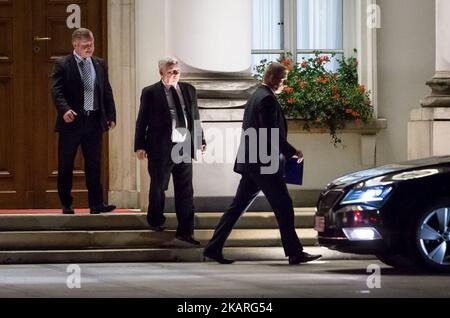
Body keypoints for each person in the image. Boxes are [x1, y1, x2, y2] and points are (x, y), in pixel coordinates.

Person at [204, 62, 322, 264]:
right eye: (283, 80)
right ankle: (294, 252)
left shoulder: (256, 95)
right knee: (284, 205)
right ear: (271, 78)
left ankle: (213, 248)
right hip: (264, 164)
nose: (284, 84)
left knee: (237, 207)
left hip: (253, 163)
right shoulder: (266, 98)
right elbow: (270, 134)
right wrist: (292, 151)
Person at [134, 57, 207, 246]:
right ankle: (156, 220)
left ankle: (186, 231)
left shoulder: (189, 90)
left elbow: (195, 117)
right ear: (161, 73)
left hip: (184, 145)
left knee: (185, 191)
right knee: (159, 187)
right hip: (161, 147)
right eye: (171, 72)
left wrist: (200, 139)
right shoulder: (151, 92)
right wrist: (139, 145)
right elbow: (142, 120)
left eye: (177, 71)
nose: (175, 75)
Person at [51, 28, 117, 215]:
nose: (90, 48)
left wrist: (111, 115)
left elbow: (106, 90)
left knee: (94, 164)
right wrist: (64, 110)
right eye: (86, 45)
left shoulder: (99, 64)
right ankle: (66, 204)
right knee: (66, 164)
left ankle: (96, 204)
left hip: (94, 121)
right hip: (72, 122)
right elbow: (56, 91)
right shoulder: (62, 64)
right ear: (75, 44)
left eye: (92, 44)